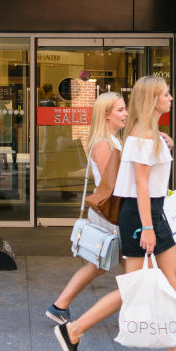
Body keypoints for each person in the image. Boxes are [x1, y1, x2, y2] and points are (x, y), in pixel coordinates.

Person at [53, 76, 176, 351]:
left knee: (174, 276)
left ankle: (174, 350)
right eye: (166, 94)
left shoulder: (150, 133)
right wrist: (148, 228)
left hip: (151, 211)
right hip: (142, 214)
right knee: (136, 287)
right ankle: (73, 330)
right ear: (152, 100)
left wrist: (168, 144)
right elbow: (140, 184)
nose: (171, 98)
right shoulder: (142, 135)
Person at [44, 91, 127, 326]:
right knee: (125, 267)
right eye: (120, 110)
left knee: (100, 265)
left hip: (112, 214)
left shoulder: (113, 140)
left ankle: (59, 306)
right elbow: (110, 184)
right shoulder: (103, 143)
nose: (125, 113)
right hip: (110, 215)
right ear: (106, 114)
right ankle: (142, 313)